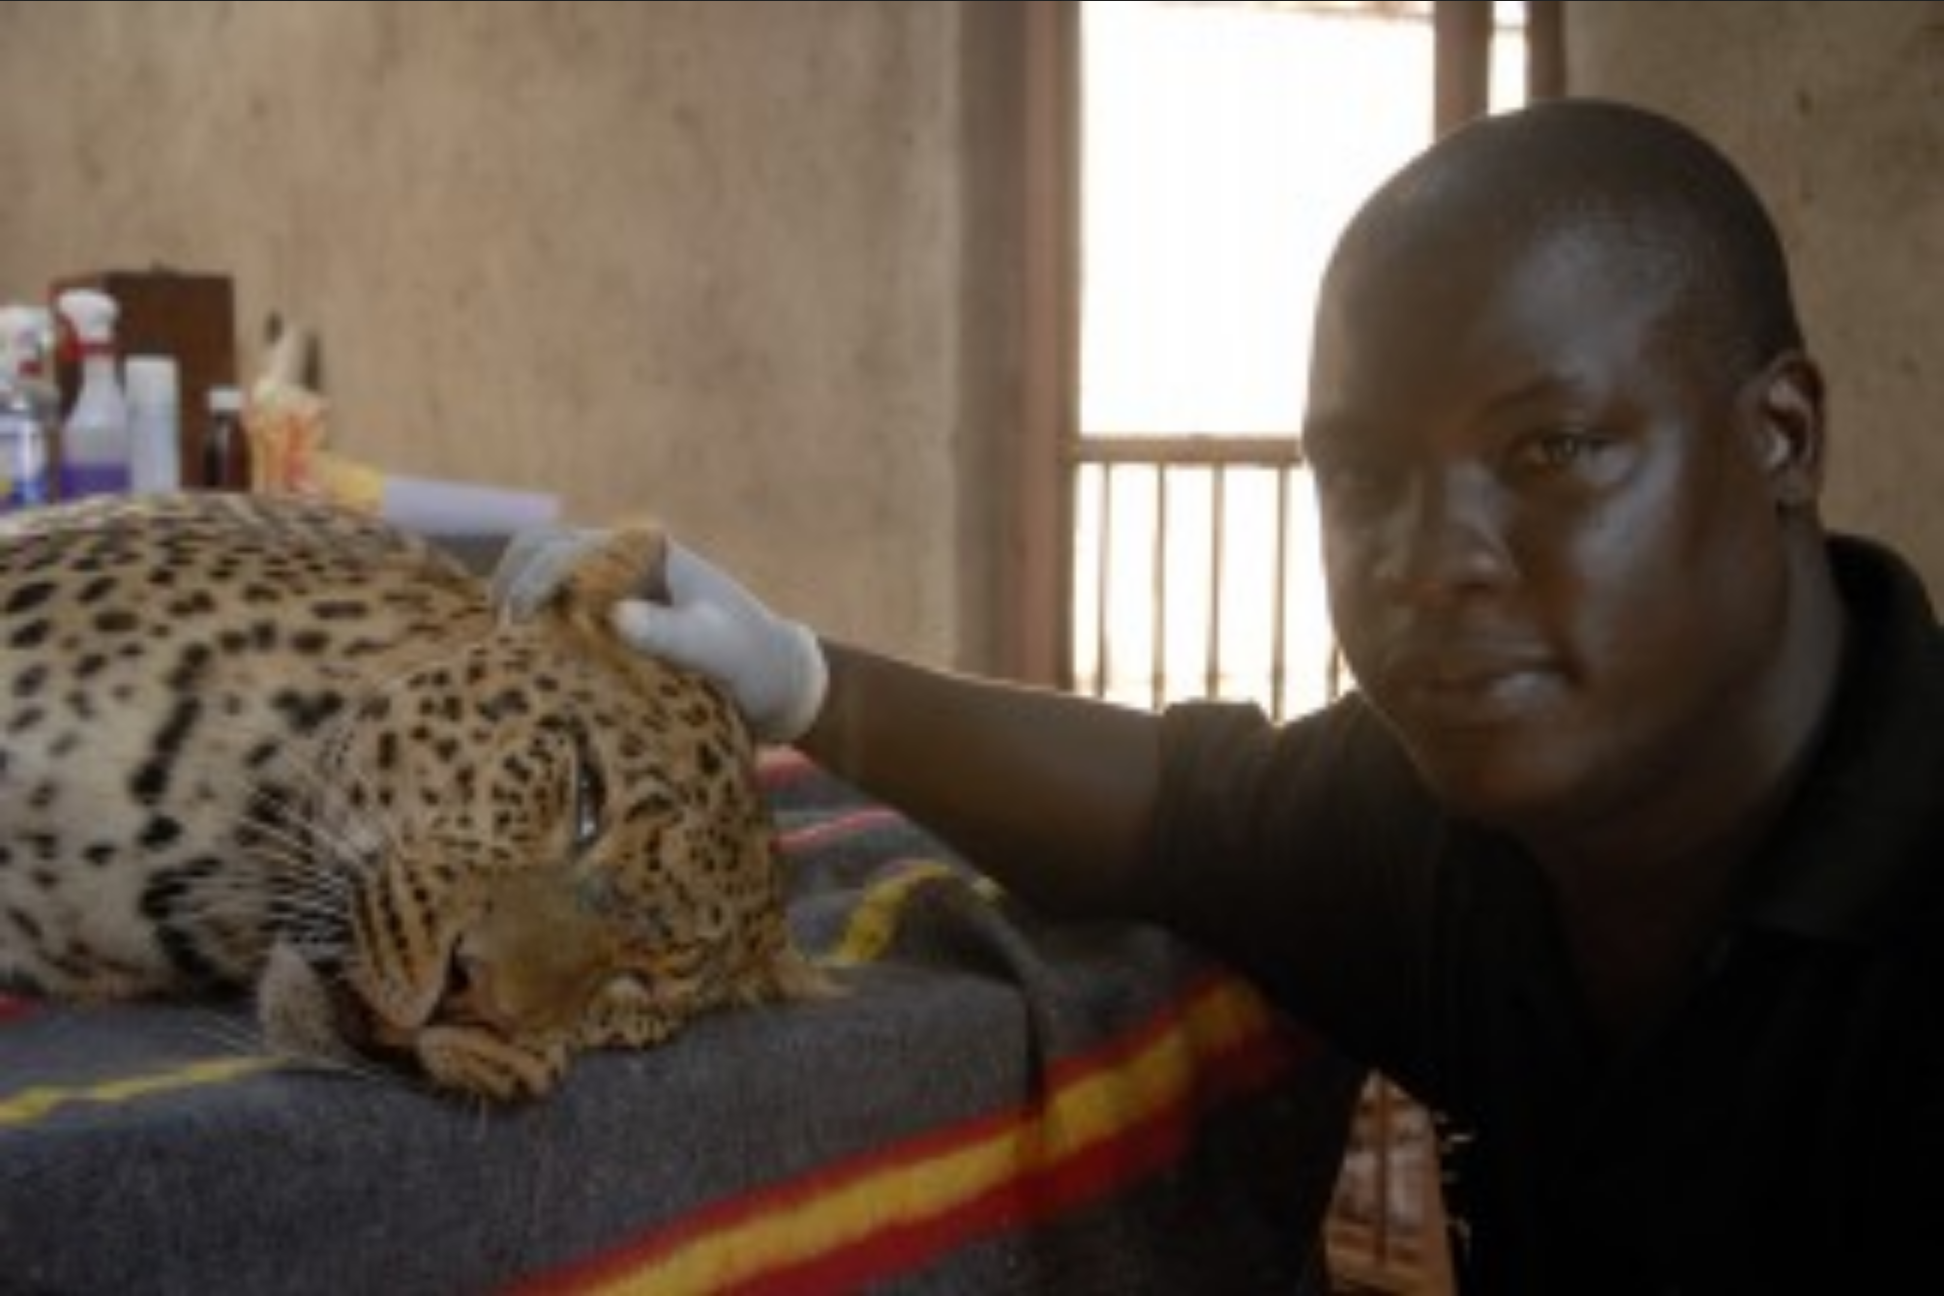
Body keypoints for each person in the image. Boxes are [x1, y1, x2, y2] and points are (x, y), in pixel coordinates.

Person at [496, 98, 1943, 1293]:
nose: (1432, 563)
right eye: (1362, 480)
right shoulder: (1452, 824)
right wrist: (805, 681)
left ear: (1781, 439)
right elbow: (1184, 807)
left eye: (1552, 450)